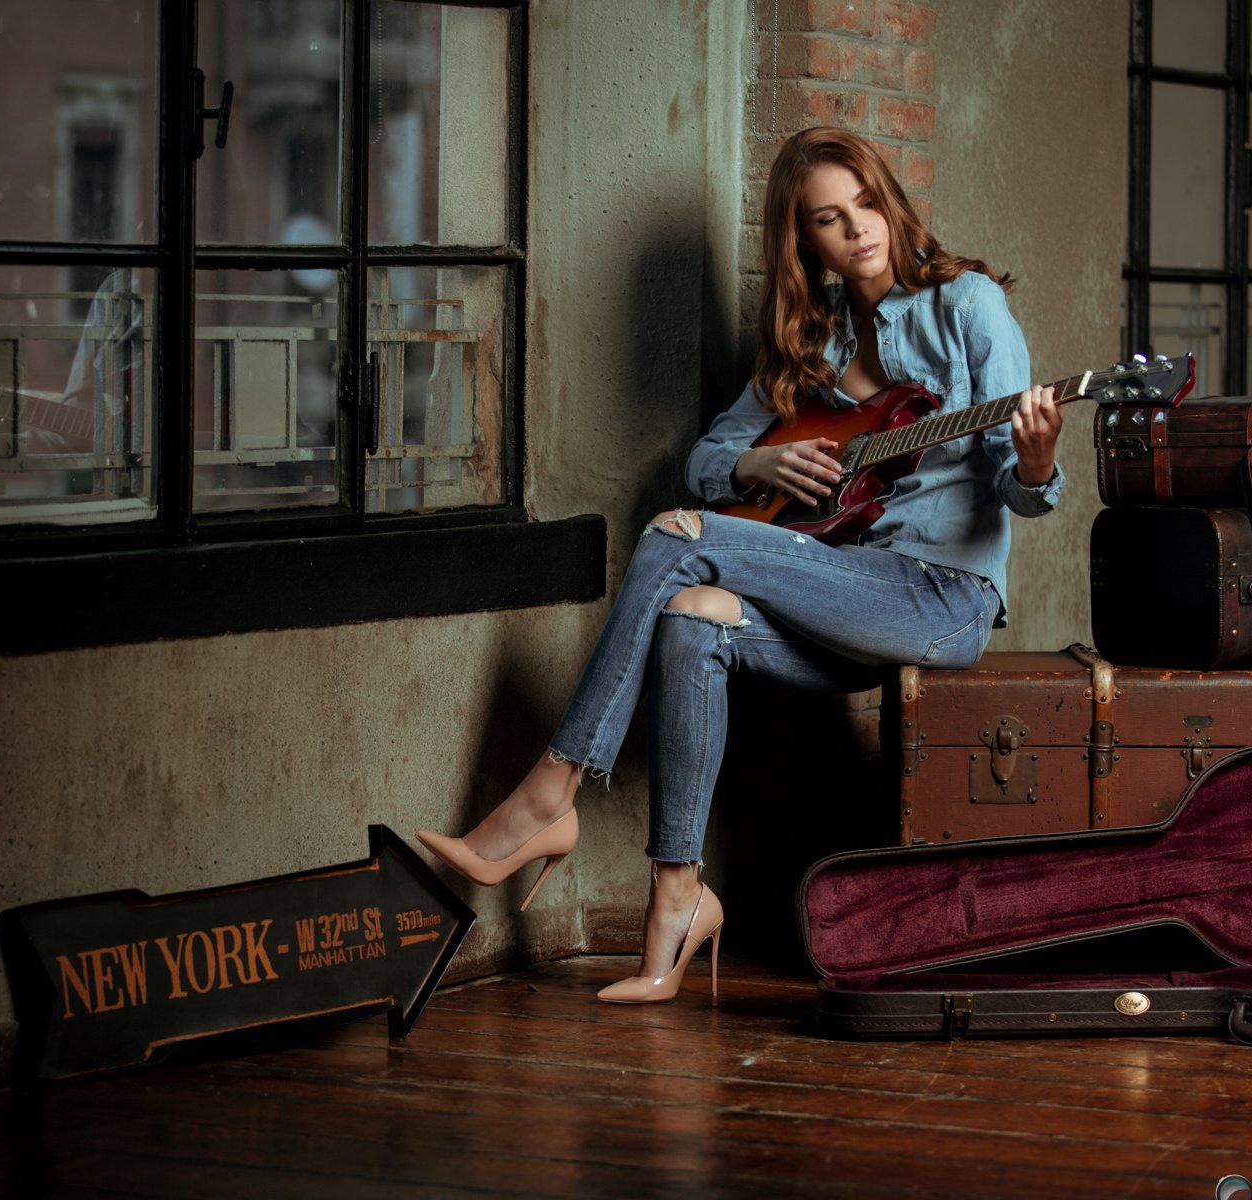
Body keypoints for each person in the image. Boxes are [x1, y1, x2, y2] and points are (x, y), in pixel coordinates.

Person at [416, 126, 1066, 1004]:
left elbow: (1017, 487)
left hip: (936, 597)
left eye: (868, 204)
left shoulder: (968, 306)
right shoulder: (816, 338)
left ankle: (546, 795)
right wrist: (754, 466)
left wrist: (1033, 461)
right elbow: (705, 459)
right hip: (835, 588)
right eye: (831, 221)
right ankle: (678, 896)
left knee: (675, 539)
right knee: (690, 618)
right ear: (806, 243)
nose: (859, 230)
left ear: (891, 201)